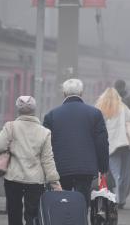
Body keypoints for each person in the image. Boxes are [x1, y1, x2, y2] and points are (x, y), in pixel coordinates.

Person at [0, 96, 62, 225]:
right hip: (35, 180)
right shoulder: (44, 132)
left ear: (18, 110)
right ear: (34, 110)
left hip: (13, 178)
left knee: (14, 214)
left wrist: (11, 144)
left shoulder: (10, 127)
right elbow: (48, 159)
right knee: (32, 214)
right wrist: (54, 181)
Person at [43, 79, 109, 208]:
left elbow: (45, 145)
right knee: (82, 201)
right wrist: (103, 168)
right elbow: (102, 143)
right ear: (82, 93)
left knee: (62, 201)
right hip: (85, 168)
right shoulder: (95, 114)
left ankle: (64, 224)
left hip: (60, 167)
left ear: (64, 93)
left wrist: (45, 169)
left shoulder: (51, 115)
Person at [95, 88, 130, 209]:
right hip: (127, 145)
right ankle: (122, 198)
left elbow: (96, 129)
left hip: (112, 146)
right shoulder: (123, 108)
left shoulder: (100, 109)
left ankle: (116, 197)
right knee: (126, 173)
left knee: (114, 172)